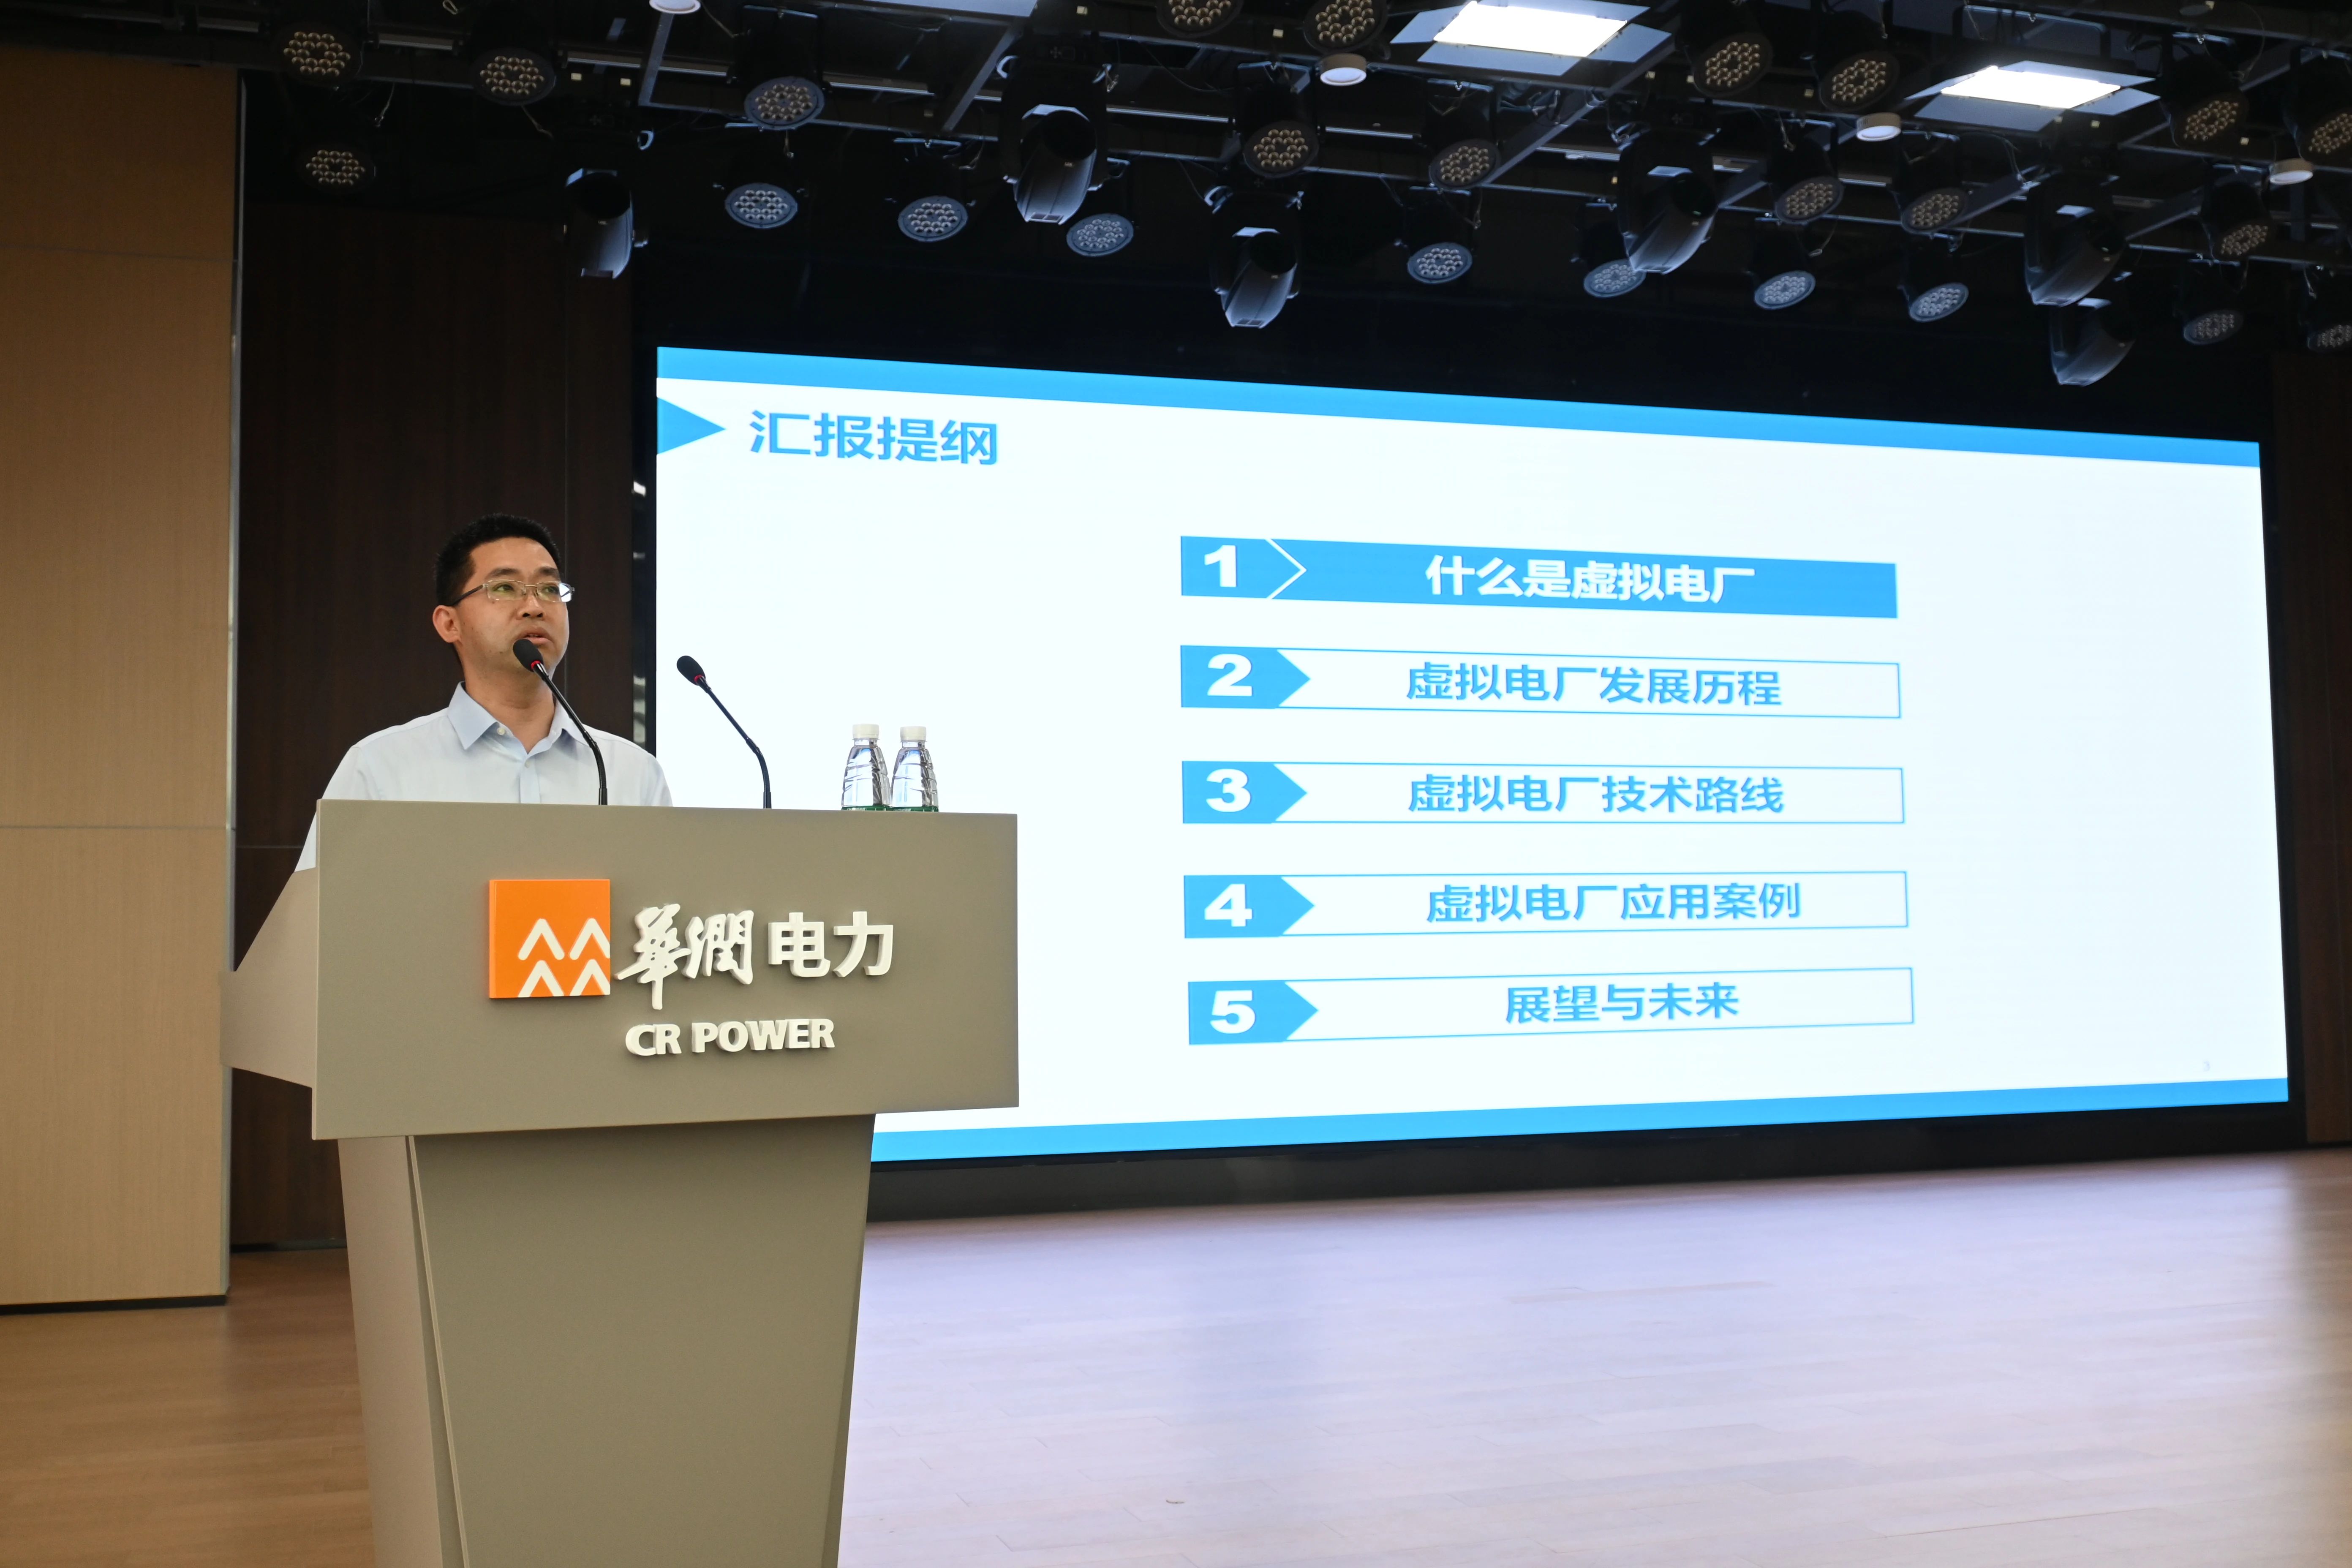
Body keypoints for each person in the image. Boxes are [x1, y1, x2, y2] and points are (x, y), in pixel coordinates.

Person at [296, 514, 669, 869]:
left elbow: (667, 905)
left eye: (550, 589)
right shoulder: (382, 767)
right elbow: (319, 908)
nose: (534, 607)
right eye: (505, 588)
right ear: (450, 623)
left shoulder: (631, 772)